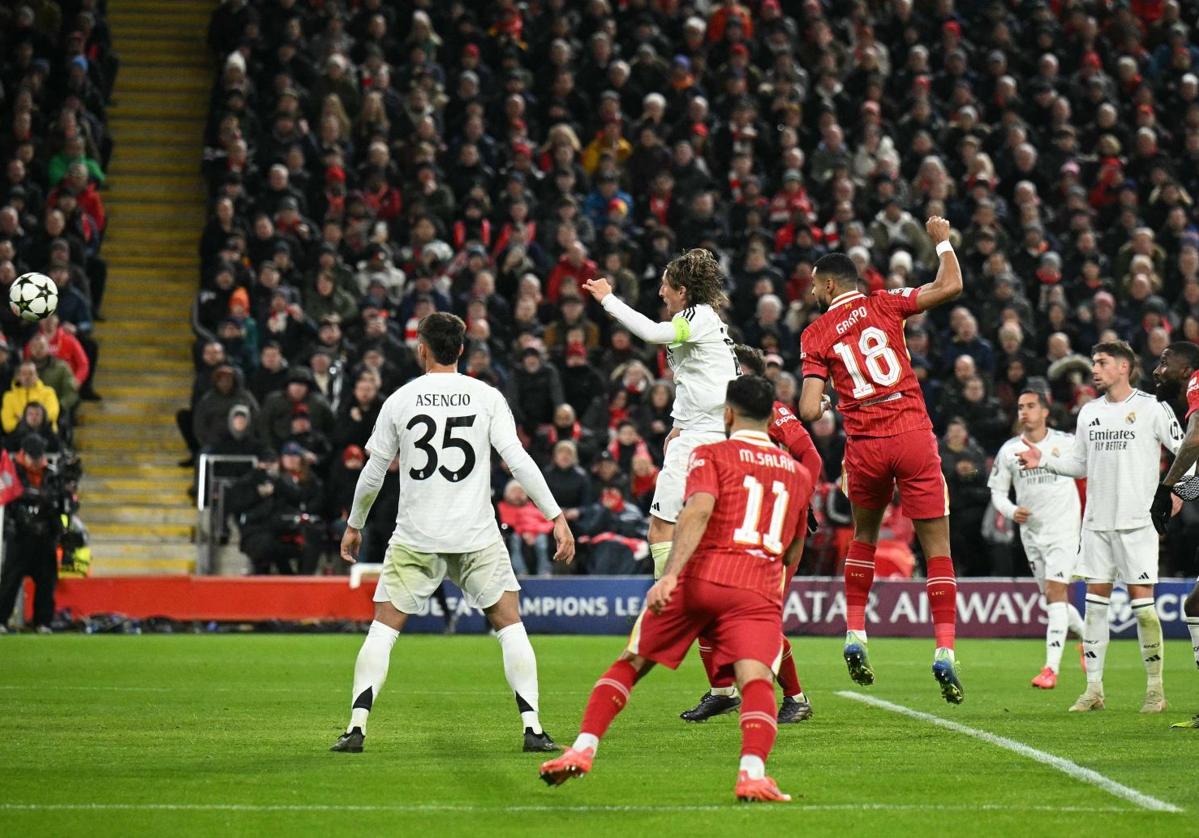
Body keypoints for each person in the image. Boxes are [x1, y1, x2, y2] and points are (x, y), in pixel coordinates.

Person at [538, 376, 814, 802]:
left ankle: (582, 749)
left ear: (727, 414)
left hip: (703, 576)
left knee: (631, 663)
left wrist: (670, 574)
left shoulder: (710, 453)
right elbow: (794, 546)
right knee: (756, 681)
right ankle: (752, 774)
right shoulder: (797, 475)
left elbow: (698, 511)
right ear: (769, 417)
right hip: (756, 587)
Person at [332, 312, 575, 754]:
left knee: (383, 630)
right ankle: (533, 727)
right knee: (509, 625)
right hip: (475, 534)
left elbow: (372, 474)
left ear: (422, 348)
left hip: (416, 535)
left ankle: (356, 727)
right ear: (461, 349)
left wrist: (354, 525)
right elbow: (517, 461)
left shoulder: (401, 399)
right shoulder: (486, 397)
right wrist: (555, 515)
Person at [798, 217, 965, 703]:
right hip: (912, 432)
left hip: (865, 444)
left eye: (814, 285)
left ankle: (855, 633)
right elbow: (951, 285)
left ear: (830, 285)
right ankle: (945, 651)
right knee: (937, 549)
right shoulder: (886, 303)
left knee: (864, 538)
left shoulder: (815, 334)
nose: (812, 292)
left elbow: (809, 409)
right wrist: (942, 243)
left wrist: (829, 403)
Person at [1019, 341, 1180, 714]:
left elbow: (1186, 446)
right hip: (1096, 526)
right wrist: (1043, 458)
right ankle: (1093, 690)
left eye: (1102, 362)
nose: (1094, 368)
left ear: (1124, 367)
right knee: (1094, 609)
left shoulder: (1151, 407)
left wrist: (1180, 493)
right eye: (1093, 362)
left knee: (1143, 610)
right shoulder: (1089, 412)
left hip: (1137, 523)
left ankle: (1155, 690)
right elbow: (1078, 463)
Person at [681, 345, 822, 723]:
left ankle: (796, 697)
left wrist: (797, 502)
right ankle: (722, 693)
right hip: (735, 523)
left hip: (774, 527)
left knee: (757, 615)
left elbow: (812, 458)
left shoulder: (770, 412)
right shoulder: (718, 412)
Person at [583, 248, 740, 582]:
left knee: (660, 531)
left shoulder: (696, 316)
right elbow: (697, 380)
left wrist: (609, 300)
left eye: (666, 286)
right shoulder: (705, 322)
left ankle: (666, 612)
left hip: (705, 436)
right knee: (704, 531)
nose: (660, 292)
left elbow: (654, 334)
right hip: (710, 432)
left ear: (682, 291)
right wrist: (678, 425)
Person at [988, 389, 1086, 688]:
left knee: (1057, 592)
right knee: (1052, 599)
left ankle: (1050, 670)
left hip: (1064, 529)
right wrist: (1011, 509)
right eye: (1020, 407)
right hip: (1032, 533)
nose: (1024, 412)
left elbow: (1086, 470)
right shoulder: (1009, 450)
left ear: (1045, 411)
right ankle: (1088, 639)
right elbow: (997, 493)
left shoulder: (1066, 443)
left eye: (1031, 406)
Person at [1147, 341, 1199, 729]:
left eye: (1165, 362)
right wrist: (1179, 493)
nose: (1157, 369)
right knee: (1195, 607)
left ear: (1186, 370)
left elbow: (1195, 442)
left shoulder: (1198, 383)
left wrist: (1166, 488)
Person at [0, 435, 70, 633]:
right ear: (23, 454)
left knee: (47, 582)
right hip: (20, 536)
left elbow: (60, 504)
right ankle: (2, 619)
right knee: (10, 580)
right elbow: (8, 502)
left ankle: (43, 622)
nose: (37, 461)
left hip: (45, 536)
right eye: (33, 456)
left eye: (39, 456)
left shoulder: (51, 475)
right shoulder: (11, 472)